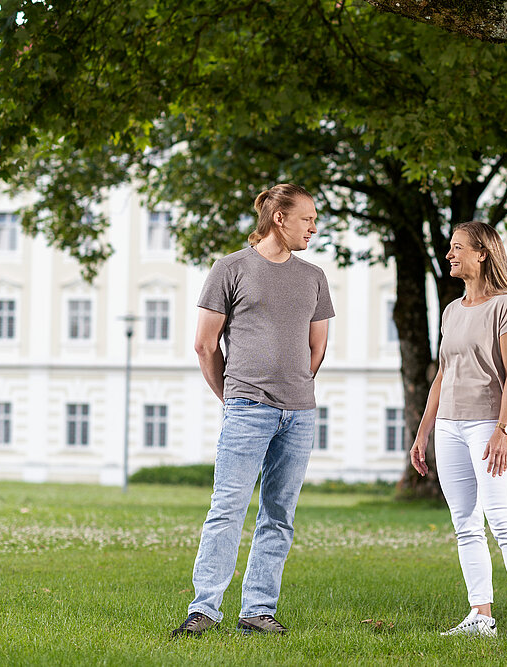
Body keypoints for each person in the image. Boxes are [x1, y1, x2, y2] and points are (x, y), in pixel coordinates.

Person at [172, 183, 334, 638]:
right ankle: (205, 609)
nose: (314, 228)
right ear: (279, 218)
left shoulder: (314, 277)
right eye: (307, 219)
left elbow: (317, 349)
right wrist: (234, 397)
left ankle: (258, 610)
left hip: (299, 413)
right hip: (247, 408)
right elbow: (205, 344)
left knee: (279, 515)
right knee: (227, 509)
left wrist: (293, 386)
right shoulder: (230, 268)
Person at [410, 221, 507, 643]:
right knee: (466, 525)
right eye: (450, 248)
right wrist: (422, 433)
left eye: (457, 248)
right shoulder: (452, 311)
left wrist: (503, 429)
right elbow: (442, 375)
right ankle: (480, 616)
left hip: (488, 425)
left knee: (504, 521)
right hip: (449, 427)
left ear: (482, 253)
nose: (449, 255)